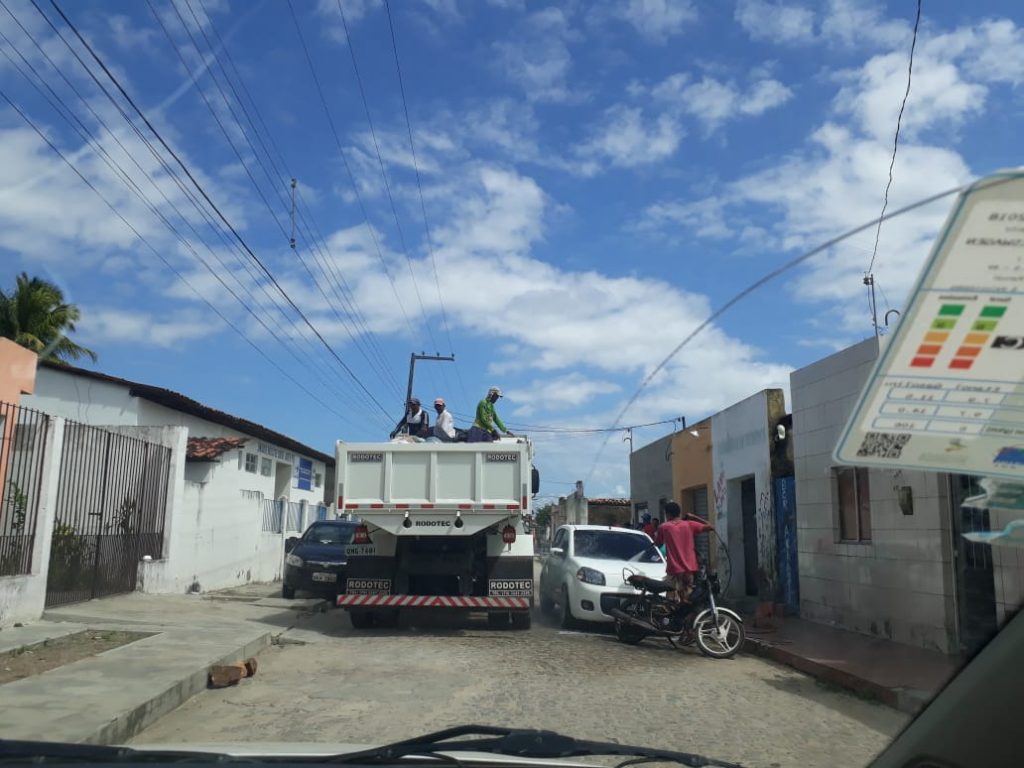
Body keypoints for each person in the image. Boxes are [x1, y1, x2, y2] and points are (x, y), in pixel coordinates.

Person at [653, 501, 713, 603]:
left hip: (674, 571)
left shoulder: (664, 527)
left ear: (668, 514)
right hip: (689, 571)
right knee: (687, 601)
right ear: (679, 513)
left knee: (670, 602)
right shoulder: (689, 524)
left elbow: (658, 543)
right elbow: (710, 526)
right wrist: (694, 517)